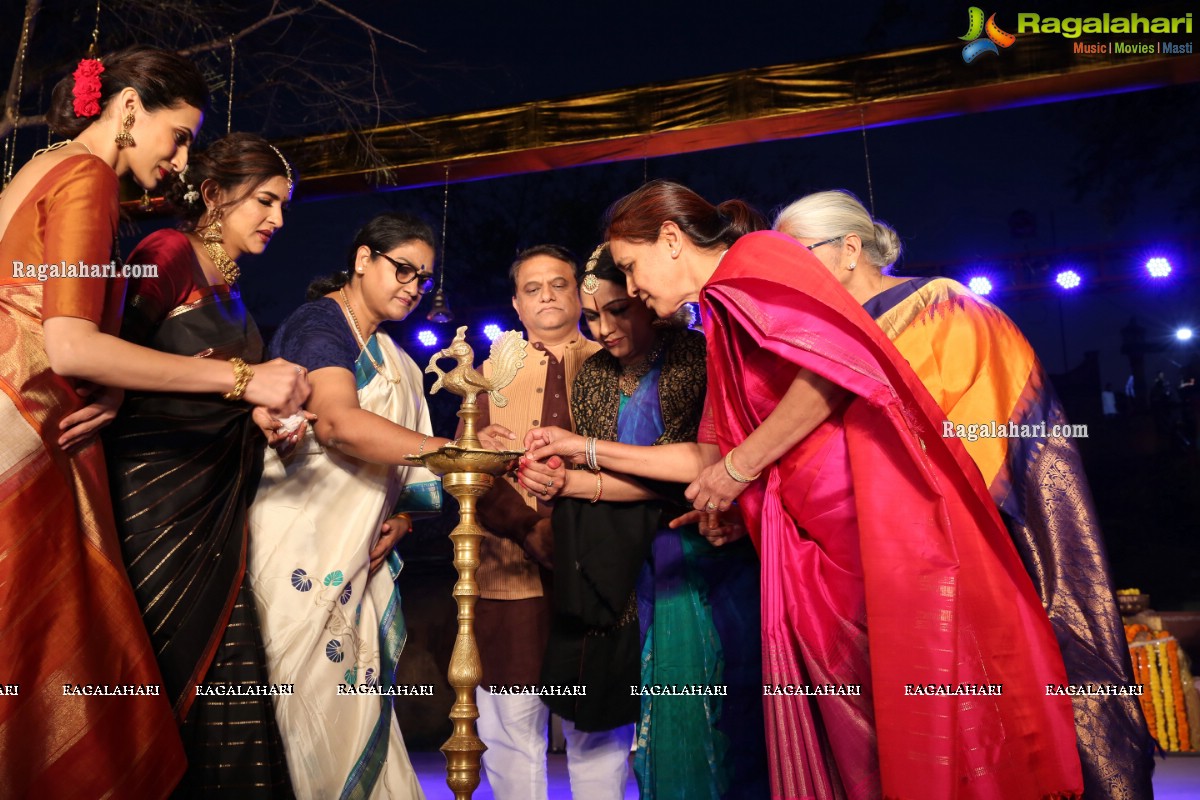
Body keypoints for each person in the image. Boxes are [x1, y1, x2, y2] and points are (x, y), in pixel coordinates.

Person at [526, 180, 1085, 799]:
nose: (631, 289)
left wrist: (740, 470)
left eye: (631, 268)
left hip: (867, 526)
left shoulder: (756, 261)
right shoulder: (722, 310)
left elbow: (836, 365)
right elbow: (709, 454)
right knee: (861, 735)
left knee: (915, 714)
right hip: (809, 539)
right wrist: (610, 460)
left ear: (670, 238)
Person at [773, 189, 1153, 799]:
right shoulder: (831, 339)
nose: (791, 280)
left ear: (849, 251)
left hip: (973, 550)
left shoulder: (944, 310)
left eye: (800, 257)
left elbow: (975, 443)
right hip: (876, 565)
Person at [0, 47, 297, 799]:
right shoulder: (89, 175)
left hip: (29, 418)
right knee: (45, 667)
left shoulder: (41, 164)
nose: (181, 156)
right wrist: (240, 378)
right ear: (128, 108)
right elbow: (70, 340)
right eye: (180, 134)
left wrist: (111, 387)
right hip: (29, 438)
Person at [247, 212, 510, 799]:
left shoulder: (396, 357)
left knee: (357, 702)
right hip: (299, 542)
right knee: (300, 697)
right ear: (363, 259)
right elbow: (339, 424)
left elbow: (410, 477)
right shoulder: (320, 324)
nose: (413, 286)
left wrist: (401, 518)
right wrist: (451, 449)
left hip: (358, 555)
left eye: (423, 277)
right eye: (403, 269)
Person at [103, 133, 310, 796]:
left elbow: (217, 384)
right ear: (215, 195)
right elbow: (113, 365)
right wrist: (244, 381)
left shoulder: (231, 287)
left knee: (229, 673)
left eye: (282, 205)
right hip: (156, 504)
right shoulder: (162, 252)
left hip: (217, 512)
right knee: (163, 670)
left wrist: (262, 419)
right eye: (265, 202)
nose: (277, 220)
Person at [522, 244, 766, 798]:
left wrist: (584, 457)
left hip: (704, 547)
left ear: (644, 301)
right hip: (627, 558)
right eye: (592, 317)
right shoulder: (593, 378)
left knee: (719, 703)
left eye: (617, 311)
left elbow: (686, 473)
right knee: (651, 705)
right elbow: (615, 478)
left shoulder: (693, 356)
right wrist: (564, 481)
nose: (604, 328)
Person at [471, 245, 640, 800]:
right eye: (532, 287)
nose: (546, 295)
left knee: (598, 720)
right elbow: (464, 470)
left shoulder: (617, 362)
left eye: (559, 284)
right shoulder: (485, 374)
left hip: (597, 567)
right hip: (507, 572)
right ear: (516, 305)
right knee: (510, 722)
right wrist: (527, 527)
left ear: (580, 292)